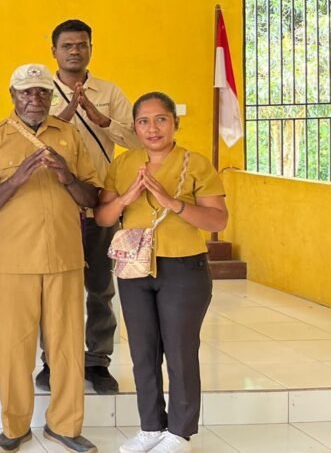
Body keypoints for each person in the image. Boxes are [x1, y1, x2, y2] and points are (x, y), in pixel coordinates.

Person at [0, 64, 101, 453]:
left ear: (51, 96)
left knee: (68, 348)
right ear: (13, 95)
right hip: (15, 263)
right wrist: (17, 179)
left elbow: (93, 197)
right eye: (26, 92)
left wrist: (67, 177)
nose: (34, 99)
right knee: (14, 349)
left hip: (65, 258)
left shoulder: (70, 136)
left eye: (42, 91)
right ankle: (15, 426)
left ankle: (65, 425)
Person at [94, 92, 228, 453]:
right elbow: (103, 217)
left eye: (161, 119)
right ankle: (151, 427)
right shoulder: (124, 164)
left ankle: (180, 432)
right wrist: (126, 197)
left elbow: (218, 220)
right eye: (143, 121)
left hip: (184, 268)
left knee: (180, 350)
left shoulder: (195, 164)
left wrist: (173, 203)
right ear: (135, 127)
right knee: (142, 350)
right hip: (134, 268)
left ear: (175, 123)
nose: (152, 128)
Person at [39, 19, 139, 395]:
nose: (74, 51)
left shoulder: (109, 92)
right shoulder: (39, 91)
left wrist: (101, 118)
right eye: (67, 45)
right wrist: (66, 115)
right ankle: (53, 361)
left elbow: (135, 138)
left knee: (100, 288)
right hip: (54, 206)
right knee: (54, 289)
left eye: (81, 45)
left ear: (91, 49)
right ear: (54, 51)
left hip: (98, 206)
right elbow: (30, 137)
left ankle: (97, 361)